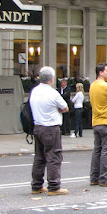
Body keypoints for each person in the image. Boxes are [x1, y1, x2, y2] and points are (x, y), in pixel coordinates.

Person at [30, 66, 69, 196]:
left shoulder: (34, 91)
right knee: (54, 156)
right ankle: (54, 186)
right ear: (52, 79)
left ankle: (36, 185)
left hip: (38, 126)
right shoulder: (53, 93)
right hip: (51, 128)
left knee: (39, 157)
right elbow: (65, 107)